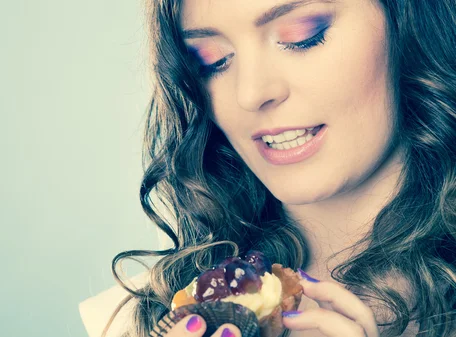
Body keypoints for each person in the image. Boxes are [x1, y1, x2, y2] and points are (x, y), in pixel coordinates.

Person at [100, 0, 456, 336]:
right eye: (213, 60)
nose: (251, 93)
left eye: (301, 36)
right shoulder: (130, 321)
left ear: (407, 25)